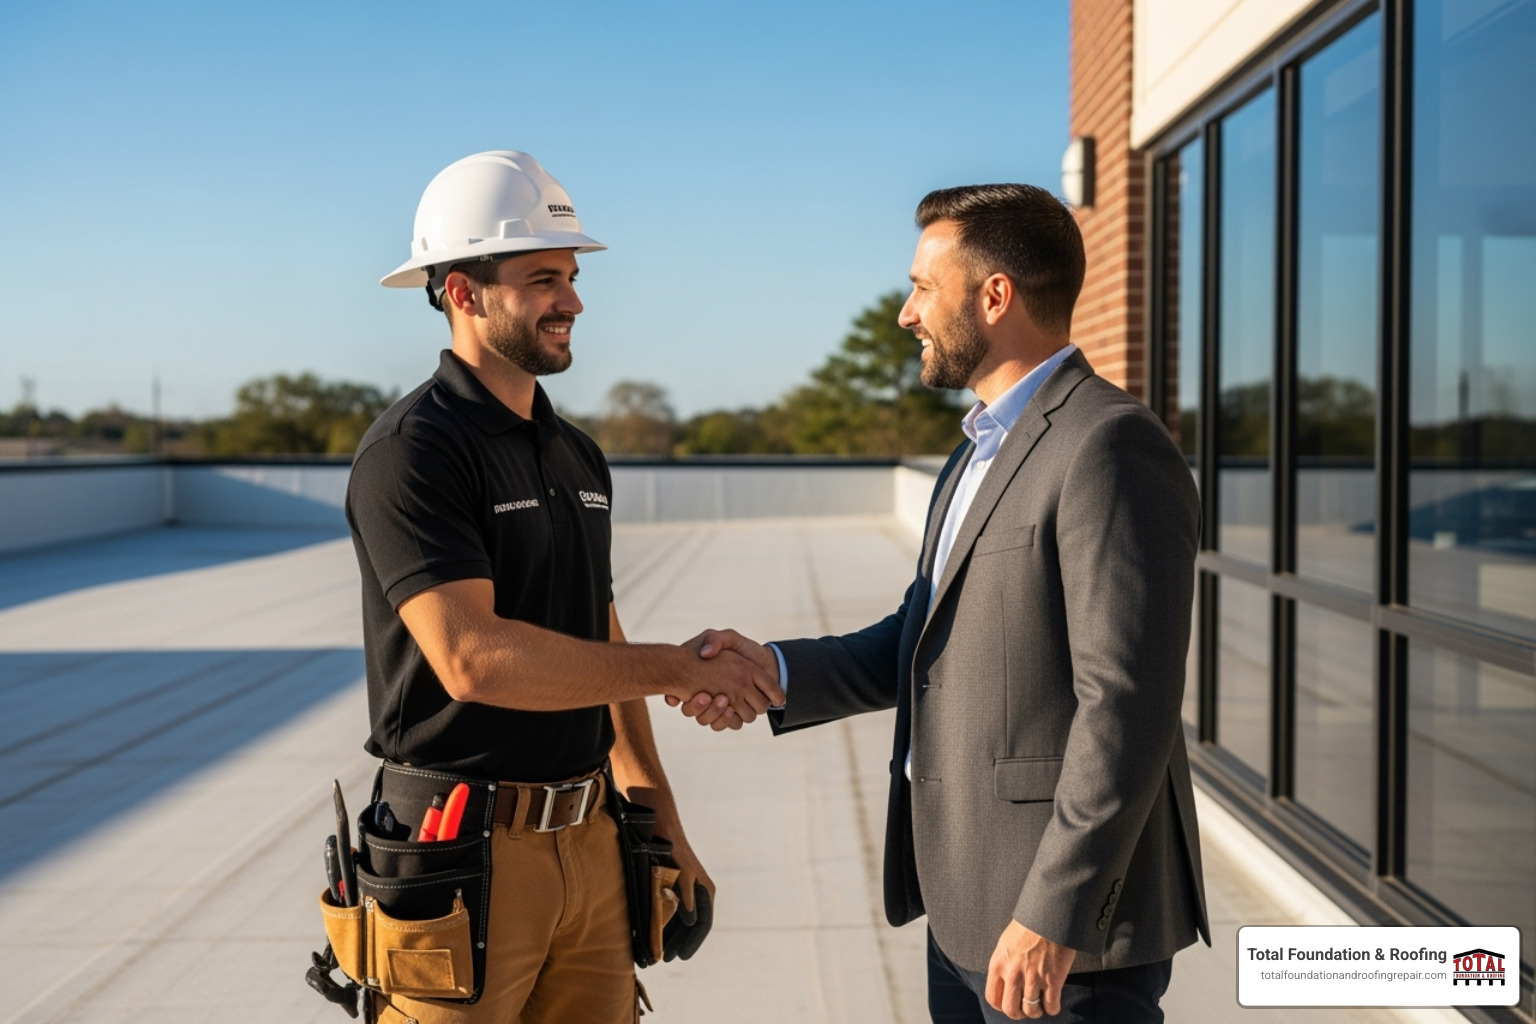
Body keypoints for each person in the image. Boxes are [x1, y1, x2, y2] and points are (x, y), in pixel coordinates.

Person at [684, 184, 1209, 1023]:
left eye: (924, 287)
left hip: (1060, 941)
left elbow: (1129, 708)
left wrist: (1053, 912)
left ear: (994, 295)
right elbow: (924, 637)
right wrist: (776, 670)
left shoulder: (1109, 444)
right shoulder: (976, 452)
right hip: (965, 911)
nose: (905, 314)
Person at [346, 150, 783, 1024]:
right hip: (457, 859)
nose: (573, 301)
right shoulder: (413, 453)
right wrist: (678, 669)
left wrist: (660, 817)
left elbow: (600, 634)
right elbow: (473, 659)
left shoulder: (574, 453)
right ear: (462, 292)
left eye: (573, 277)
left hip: (591, 840)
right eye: (543, 277)